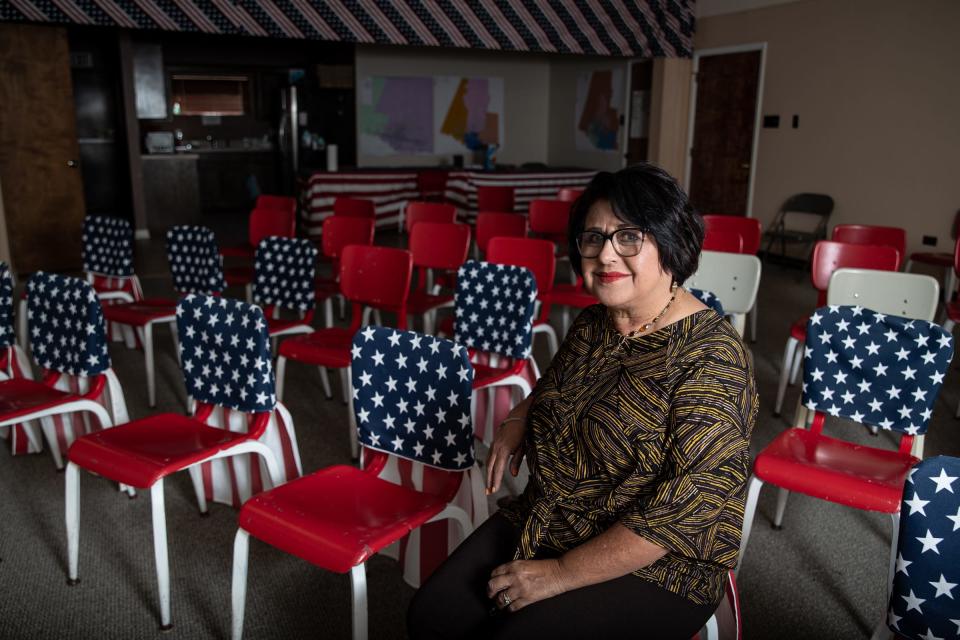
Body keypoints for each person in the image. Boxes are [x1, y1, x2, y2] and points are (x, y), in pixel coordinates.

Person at [408, 163, 757, 640]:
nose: (606, 254)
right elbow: (555, 385)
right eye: (593, 238)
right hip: (552, 515)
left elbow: (684, 511)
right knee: (429, 617)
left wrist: (560, 573)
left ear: (671, 244)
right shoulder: (595, 322)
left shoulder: (714, 358)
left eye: (630, 237)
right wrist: (518, 418)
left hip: (660, 563)